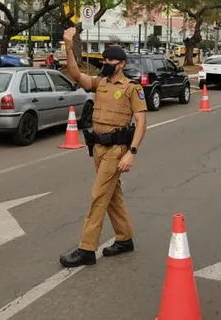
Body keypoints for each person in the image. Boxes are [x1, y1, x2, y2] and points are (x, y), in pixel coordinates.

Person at [59, 27, 147, 268]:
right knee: (112, 195)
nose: (106, 63)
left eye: (110, 60)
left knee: (98, 196)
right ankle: (125, 238)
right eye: (104, 59)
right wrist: (68, 45)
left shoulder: (131, 88)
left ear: (121, 64)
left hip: (117, 149)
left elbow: (141, 122)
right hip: (98, 147)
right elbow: (76, 74)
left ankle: (87, 249)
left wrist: (132, 152)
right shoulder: (100, 83)